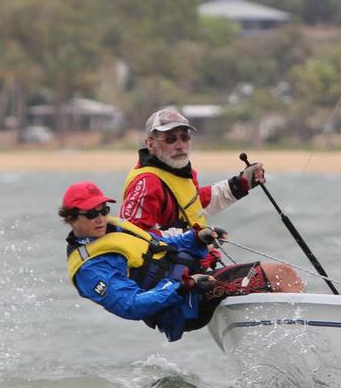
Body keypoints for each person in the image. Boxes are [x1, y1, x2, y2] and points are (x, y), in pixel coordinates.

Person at [61, 181, 302, 342]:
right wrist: (183, 284)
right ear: (71, 218)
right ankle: (312, 341)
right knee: (280, 274)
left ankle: (292, 339)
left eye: (103, 209)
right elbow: (131, 306)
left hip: (192, 285)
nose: (101, 217)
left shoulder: (114, 229)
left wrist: (196, 238)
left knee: (279, 276)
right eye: (92, 213)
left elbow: (162, 247)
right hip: (184, 306)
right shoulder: (91, 269)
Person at [120, 106, 302, 292]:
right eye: (170, 139)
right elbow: (132, 238)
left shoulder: (178, 174)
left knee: (271, 286)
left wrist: (241, 183)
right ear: (150, 144)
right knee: (282, 275)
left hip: (195, 272)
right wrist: (193, 237)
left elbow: (196, 205)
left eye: (185, 137)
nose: (180, 144)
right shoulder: (146, 183)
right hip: (175, 287)